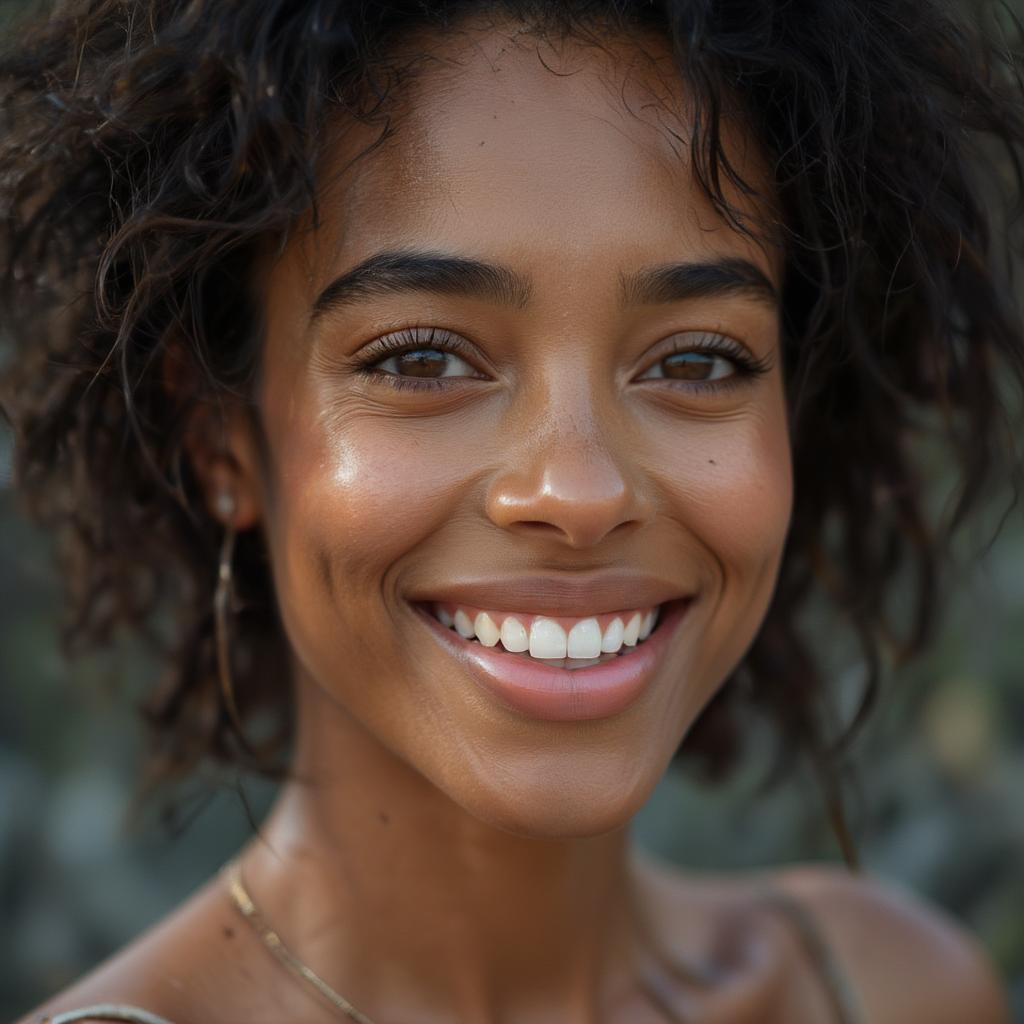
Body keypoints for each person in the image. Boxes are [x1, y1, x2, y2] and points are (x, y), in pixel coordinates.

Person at [1, 0, 1021, 1021]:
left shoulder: (886, 990)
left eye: (698, 358)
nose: (579, 493)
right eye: (423, 358)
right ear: (216, 433)